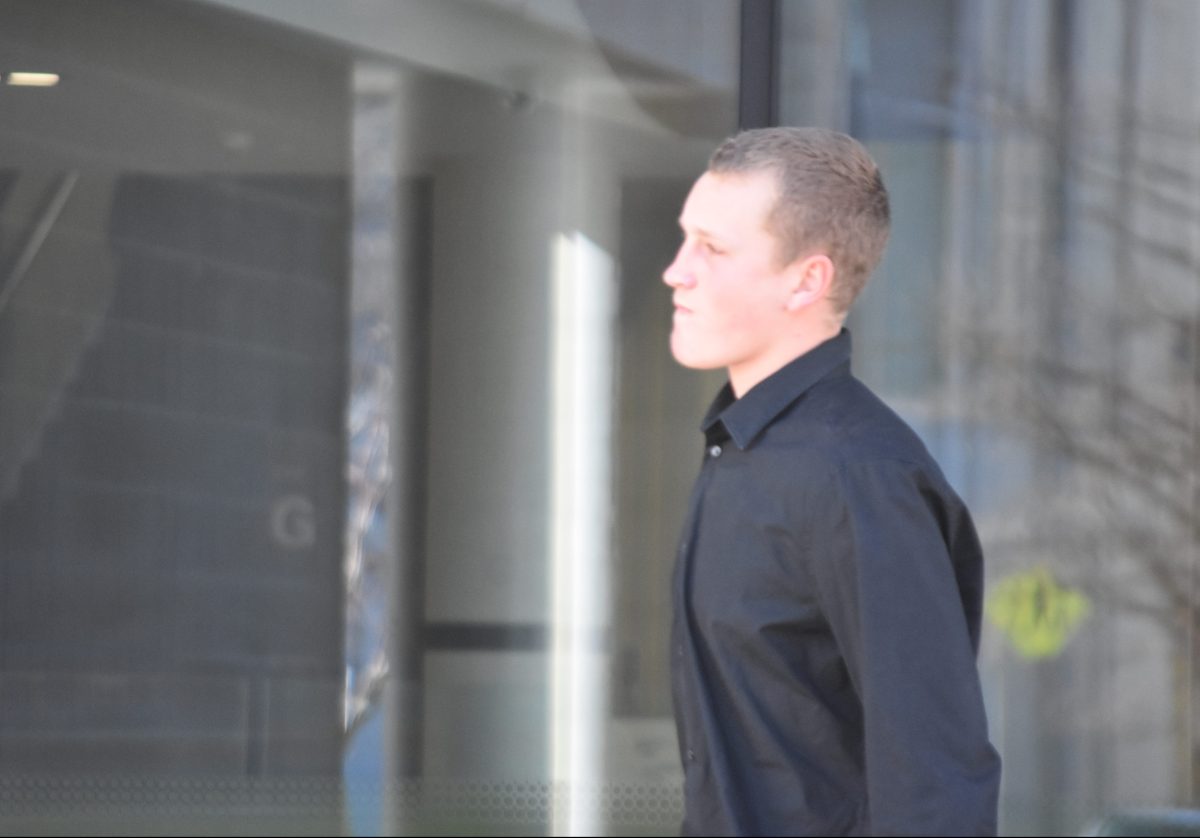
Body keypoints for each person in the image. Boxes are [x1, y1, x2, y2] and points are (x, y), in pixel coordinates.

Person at [664, 127, 1001, 836]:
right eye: (685, 238)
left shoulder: (858, 477)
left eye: (713, 248)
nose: (676, 271)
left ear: (807, 280)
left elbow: (935, 782)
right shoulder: (742, 448)